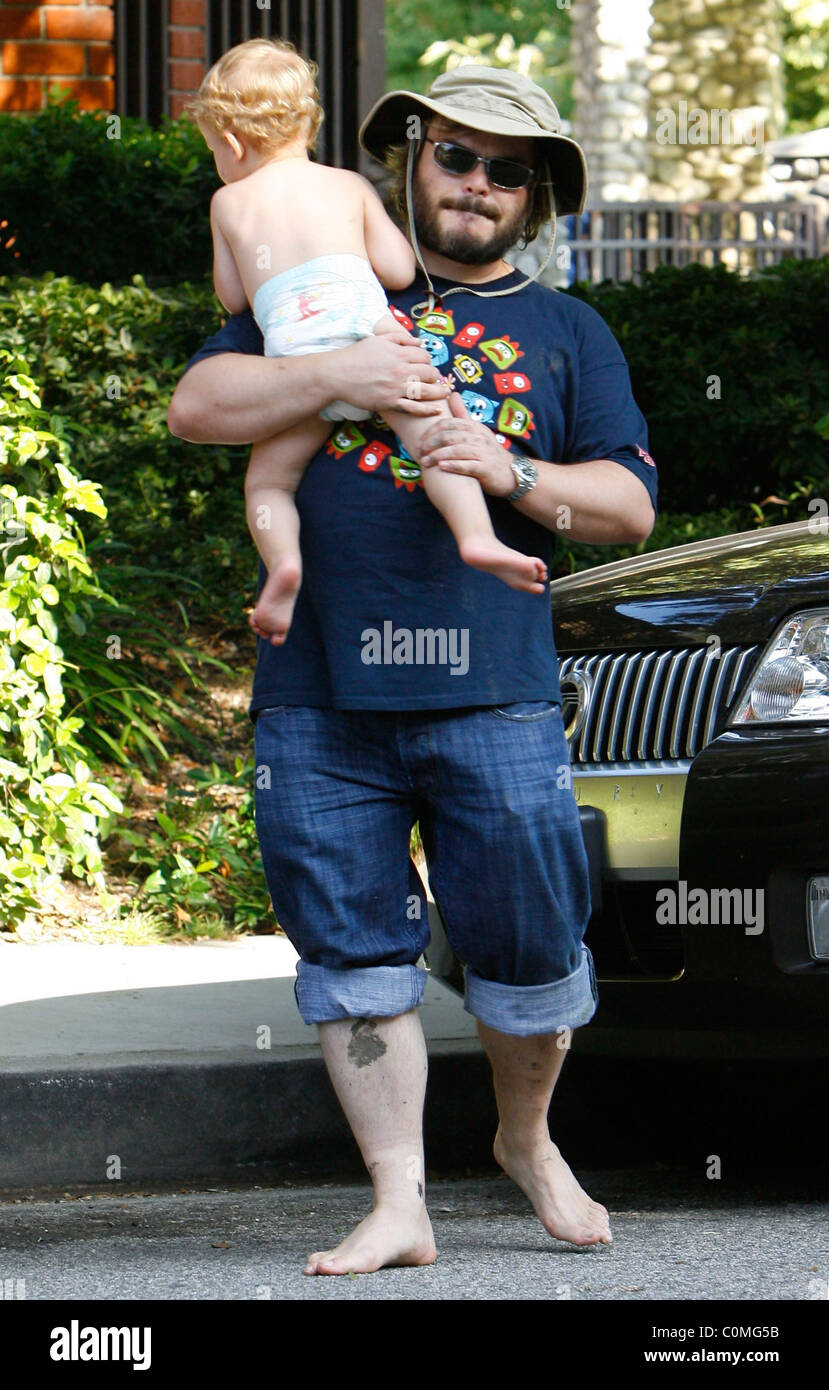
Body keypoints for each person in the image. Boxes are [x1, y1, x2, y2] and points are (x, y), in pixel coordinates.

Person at [168, 64, 658, 1276]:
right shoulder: (311, 268)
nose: (479, 183)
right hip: (320, 694)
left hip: (493, 692)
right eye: (456, 155)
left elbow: (629, 507)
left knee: (534, 943)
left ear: (536, 198)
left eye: (509, 169)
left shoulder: (566, 330)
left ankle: (526, 1140)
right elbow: (199, 403)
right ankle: (399, 1201)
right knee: (348, 952)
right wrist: (336, 375)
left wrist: (507, 471)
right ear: (410, 160)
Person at [188, 39, 546, 646]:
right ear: (308, 126)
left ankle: (285, 565)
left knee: (269, 483)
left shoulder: (228, 201)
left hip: (296, 345)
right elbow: (399, 271)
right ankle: (478, 538)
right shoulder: (347, 185)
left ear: (232, 143)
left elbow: (232, 295)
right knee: (438, 440)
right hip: (371, 329)